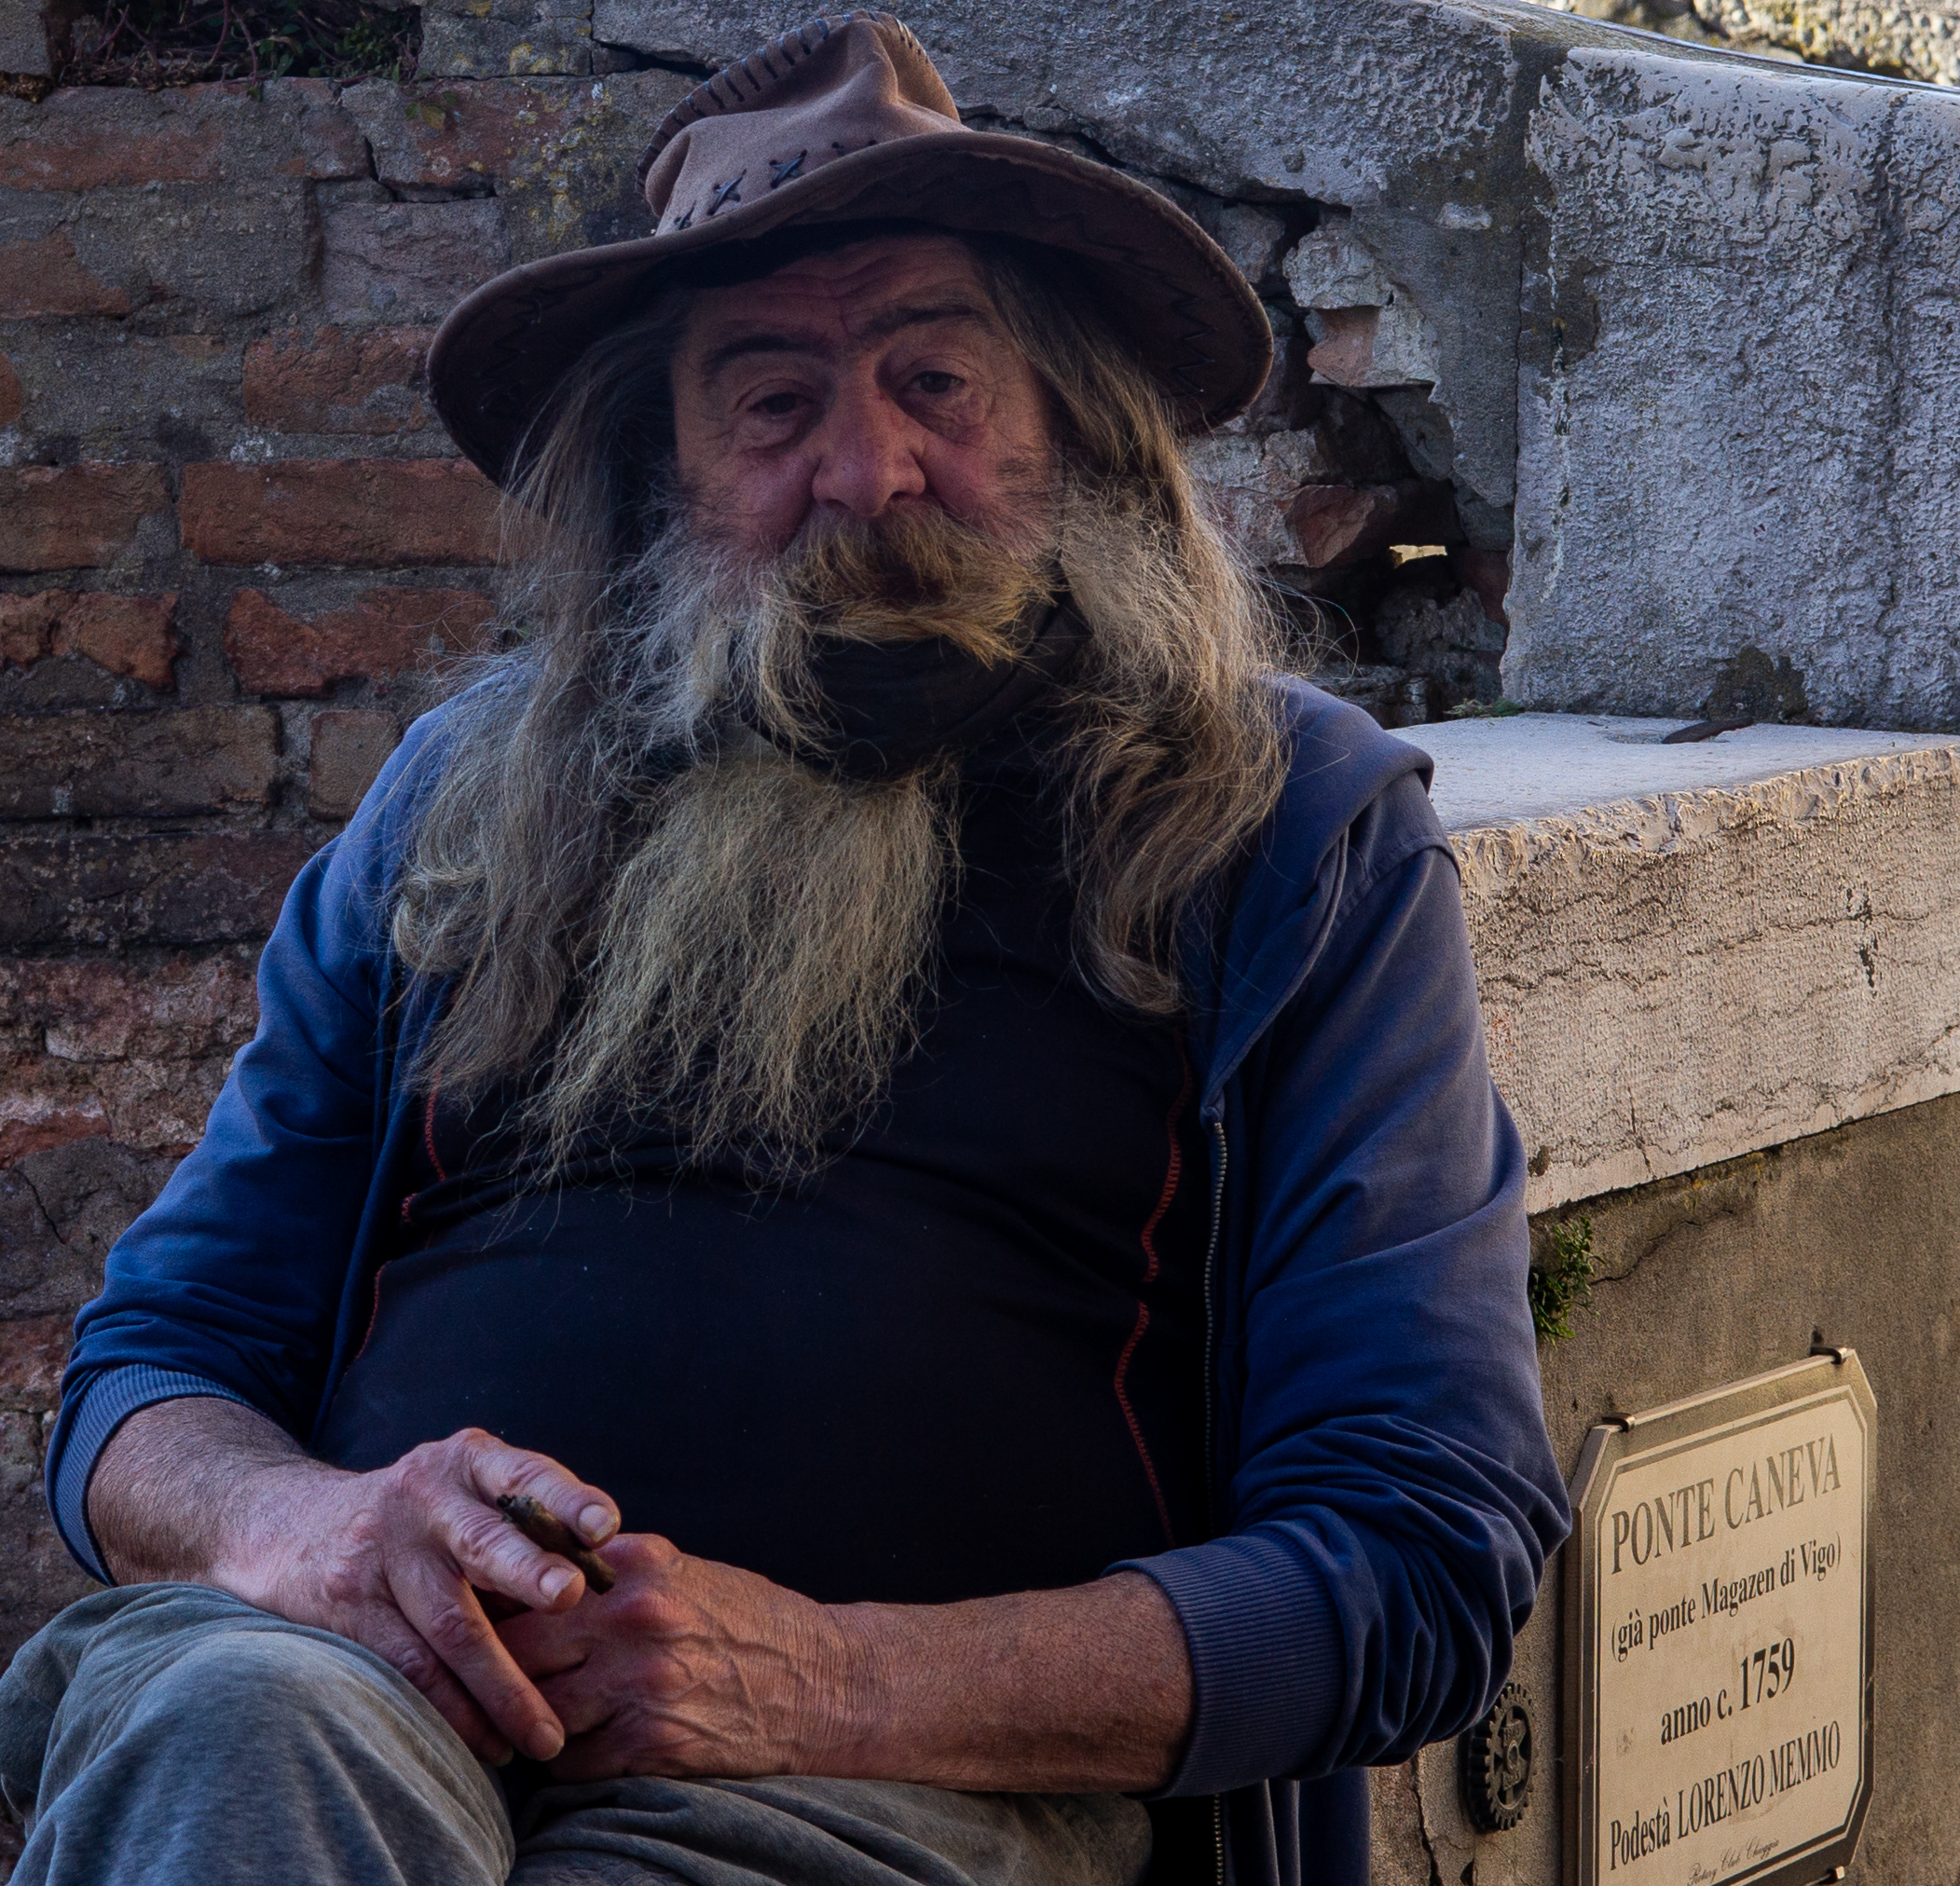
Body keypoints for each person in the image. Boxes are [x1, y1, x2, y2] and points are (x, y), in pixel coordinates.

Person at [0, 13, 1569, 1884]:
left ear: (1060, 418)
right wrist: (308, 1534)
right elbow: (144, 1374)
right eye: (771, 405)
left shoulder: (1280, 835)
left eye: (936, 381)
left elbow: (1424, 1542)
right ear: (662, 481)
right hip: (352, 1705)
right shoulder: (463, 807)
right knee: (237, 1722)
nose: (869, 470)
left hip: (911, 1787)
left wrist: (815, 1680)